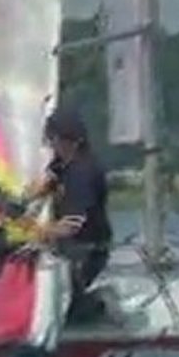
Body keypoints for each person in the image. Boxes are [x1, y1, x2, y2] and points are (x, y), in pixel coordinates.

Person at [25, 106, 113, 324]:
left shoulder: (82, 173)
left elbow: (72, 225)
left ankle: (94, 308)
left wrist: (32, 233)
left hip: (88, 250)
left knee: (70, 306)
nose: (50, 146)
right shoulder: (63, 164)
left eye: (52, 140)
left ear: (67, 140)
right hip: (70, 247)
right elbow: (44, 184)